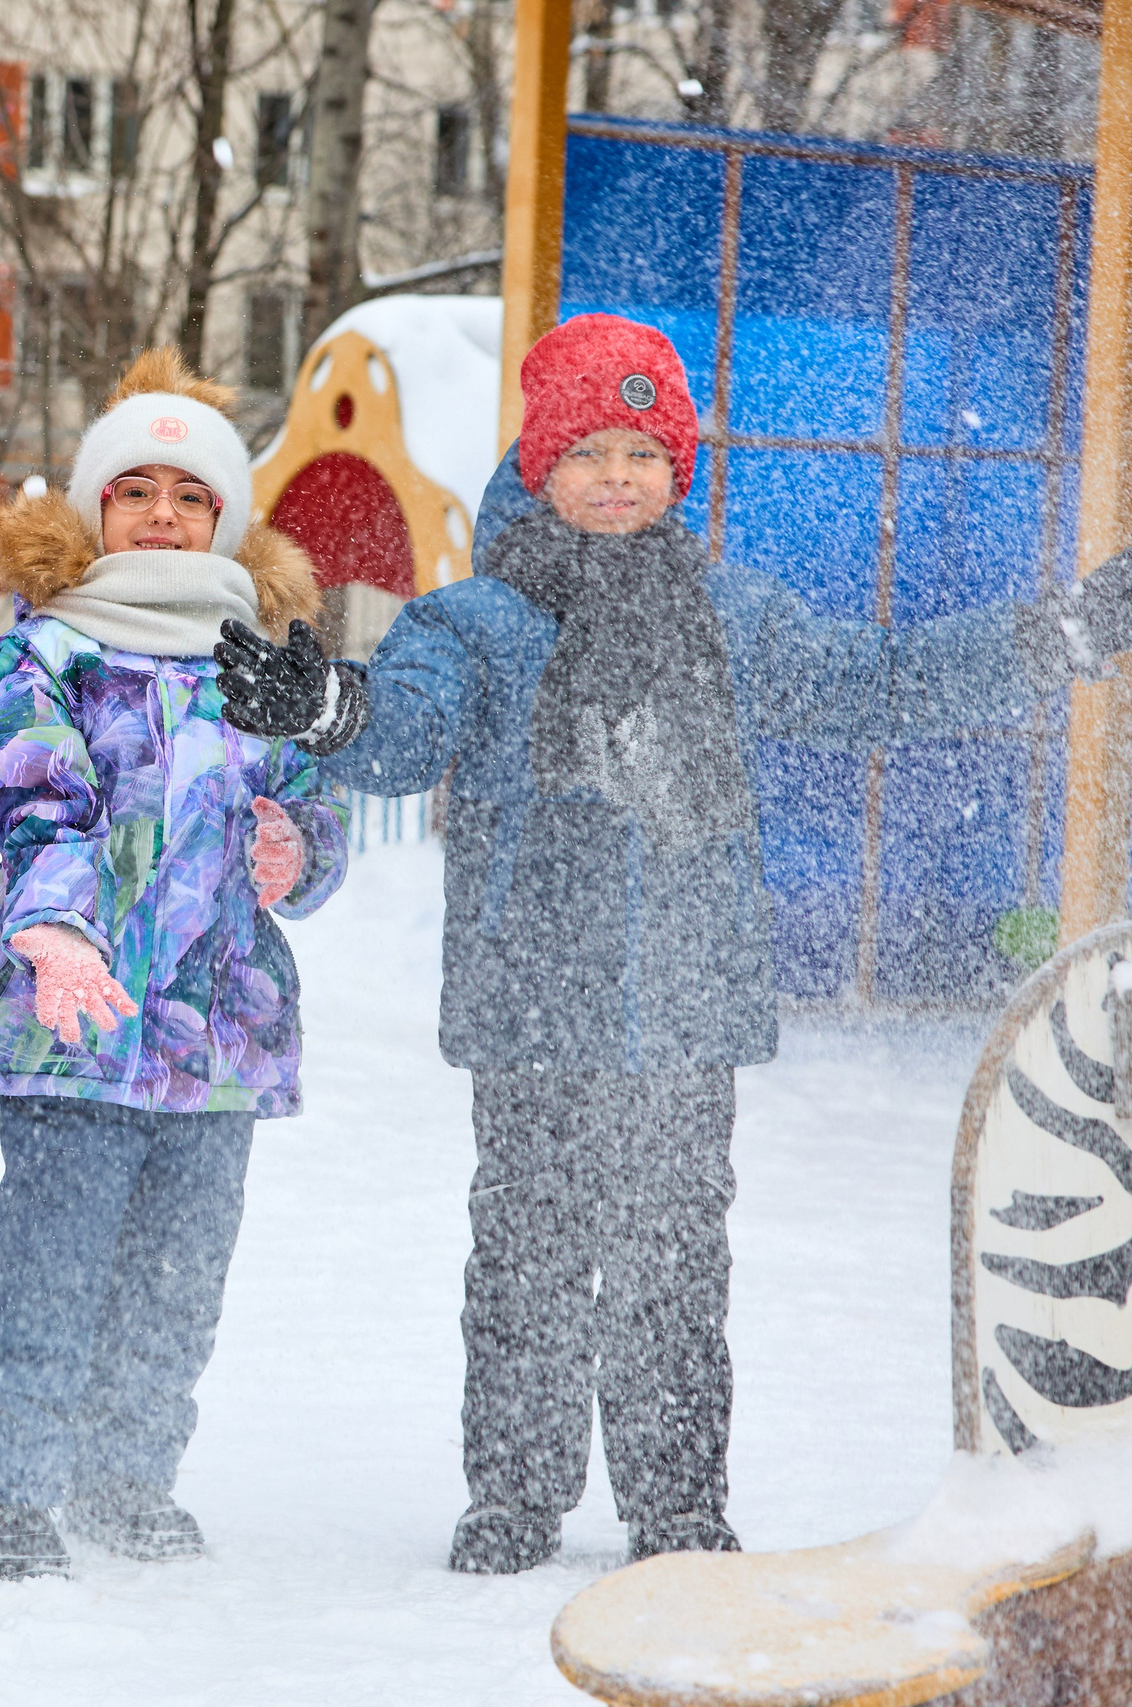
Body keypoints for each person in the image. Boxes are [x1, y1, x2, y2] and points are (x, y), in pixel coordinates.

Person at [213, 312, 1132, 1574]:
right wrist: (327, 707)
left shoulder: (729, 615)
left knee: (674, 1272)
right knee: (527, 1262)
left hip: (686, 1013)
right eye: (587, 452)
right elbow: (406, 734)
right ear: (540, 465)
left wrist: (1057, 637)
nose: (617, 478)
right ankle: (514, 1498)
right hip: (533, 1008)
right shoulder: (475, 622)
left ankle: (677, 1504)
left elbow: (875, 680)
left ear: (676, 470)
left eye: (643, 454)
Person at [0, 348, 351, 1581]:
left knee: (175, 1283)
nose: (160, 513)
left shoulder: (258, 661)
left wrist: (299, 848)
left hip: (215, 1034)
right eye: (134, 491)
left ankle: (125, 1479)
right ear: (96, 508)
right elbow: (35, 793)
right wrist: (58, 927)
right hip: (77, 1019)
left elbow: (311, 802)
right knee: (53, 1265)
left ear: (224, 517)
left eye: (187, 494)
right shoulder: (52, 649)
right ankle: (5, 1486)